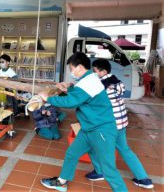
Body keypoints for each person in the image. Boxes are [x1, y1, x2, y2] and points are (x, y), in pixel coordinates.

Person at [38, 52, 127, 192]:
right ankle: (62, 182)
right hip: (89, 129)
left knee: (109, 171)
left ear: (79, 67)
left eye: (71, 69)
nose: (71, 72)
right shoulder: (89, 79)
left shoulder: (89, 81)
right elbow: (81, 94)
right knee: (72, 154)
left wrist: (47, 98)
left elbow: (71, 102)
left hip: (101, 131)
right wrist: (68, 89)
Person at [86, 59, 154, 189]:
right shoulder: (116, 81)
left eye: (94, 71)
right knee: (125, 150)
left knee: (92, 145)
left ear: (103, 71)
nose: (93, 73)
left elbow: (91, 101)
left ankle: (100, 172)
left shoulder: (102, 86)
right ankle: (144, 179)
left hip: (109, 125)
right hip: (121, 123)